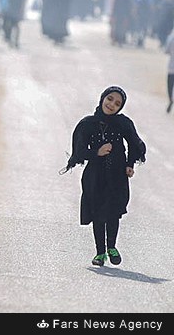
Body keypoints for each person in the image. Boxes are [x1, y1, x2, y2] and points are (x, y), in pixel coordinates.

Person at [60, 86, 146, 267]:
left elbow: (134, 142)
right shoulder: (88, 124)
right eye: (110, 99)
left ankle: (112, 247)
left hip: (117, 175)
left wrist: (130, 164)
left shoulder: (123, 123)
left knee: (113, 211)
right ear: (102, 98)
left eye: (117, 103)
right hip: (95, 176)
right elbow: (79, 152)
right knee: (98, 213)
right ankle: (100, 252)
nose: (112, 104)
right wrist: (97, 152)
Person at [165, 31, 174, 113]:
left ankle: (171, 99)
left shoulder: (171, 37)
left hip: (172, 68)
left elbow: (166, 50)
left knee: (170, 86)